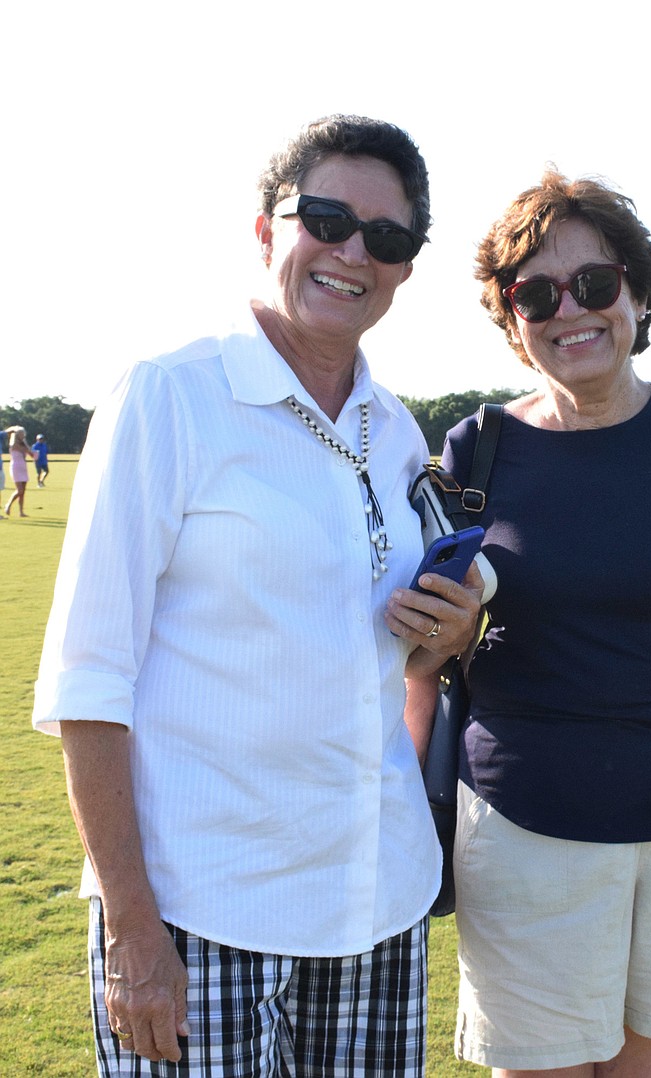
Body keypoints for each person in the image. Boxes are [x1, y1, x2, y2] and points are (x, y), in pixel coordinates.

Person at [32, 114, 483, 1078]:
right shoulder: (171, 395)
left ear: (406, 268)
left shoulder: (396, 430)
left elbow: (394, 661)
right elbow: (87, 680)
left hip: (376, 898)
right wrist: (132, 930)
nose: (352, 251)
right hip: (197, 908)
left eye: (388, 238)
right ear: (266, 229)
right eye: (325, 217)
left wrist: (447, 634)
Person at [411, 171, 651, 1077]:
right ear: (511, 319)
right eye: (536, 293)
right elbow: (435, 652)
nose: (569, 310)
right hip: (524, 830)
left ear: (636, 291)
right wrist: (450, 627)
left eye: (594, 283)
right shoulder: (477, 447)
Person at [4, 426, 35, 517]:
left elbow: (31, 454)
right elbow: (23, 449)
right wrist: (26, 447)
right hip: (16, 467)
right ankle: (8, 505)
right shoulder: (13, 444)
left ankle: (21, 511)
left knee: (23, 491)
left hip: (23, 466)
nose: (23, 435)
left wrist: (26, 445)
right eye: (21, 434)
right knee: (19, 490)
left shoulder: (23, 444)